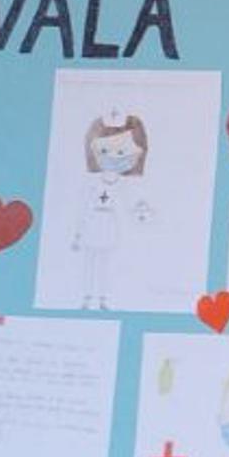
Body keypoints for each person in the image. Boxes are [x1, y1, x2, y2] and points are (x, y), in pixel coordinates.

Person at [70, 111, 153, 310]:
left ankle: (103, 299)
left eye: (122, 152)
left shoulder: (122, 186)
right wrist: (78, 235)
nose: (114, 158)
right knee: (89, 263)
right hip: (92, 224)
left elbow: (128, 206)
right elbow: (83, 208)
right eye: (106, 151)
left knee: (104, 264)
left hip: (108, 227)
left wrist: (142, 213)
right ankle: (86, 297)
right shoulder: (91, 184)